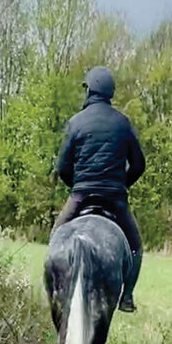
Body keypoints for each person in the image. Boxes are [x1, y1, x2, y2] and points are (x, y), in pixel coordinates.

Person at [53, 66, 145, 312]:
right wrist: (122, 184)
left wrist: (78, 185)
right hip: (115, 198)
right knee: (135, 245)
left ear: (90, 90)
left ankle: (53, 288)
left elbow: (62, 167)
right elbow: (139, 164)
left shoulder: (75, 122)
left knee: (56, 237)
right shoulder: (123, 122)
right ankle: (127, 297)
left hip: (80, 195)